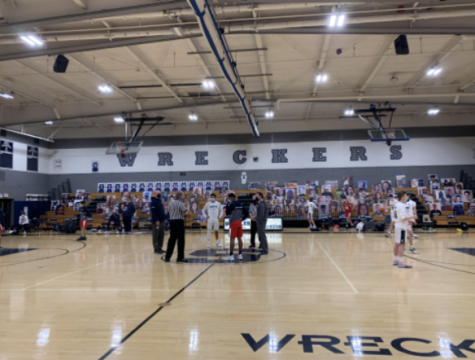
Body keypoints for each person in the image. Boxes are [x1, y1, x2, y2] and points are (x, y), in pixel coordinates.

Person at [393, 192, 417, 268]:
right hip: (401, 227)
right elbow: (403, 218)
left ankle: (396, 259)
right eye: (406, 195)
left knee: (397, 243)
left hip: (397, 225)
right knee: (402, 244)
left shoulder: (397, 204)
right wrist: (412, 216)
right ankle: (401, 261)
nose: (407, 196)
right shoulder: (401, 206)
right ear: (402, 197)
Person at [224, 193, 250, 261]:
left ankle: (231, 255)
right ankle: (240, 254)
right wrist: (242, 219)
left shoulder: (231, 204)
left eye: (229, 198)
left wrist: (227, 205)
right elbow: (247, 213)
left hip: (233, 223)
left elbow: (227, 213)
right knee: (239, 239)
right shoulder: (240, 204)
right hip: (239, 222)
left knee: (232, 239)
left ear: (232, 197)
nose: (228, 199)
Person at [165, 191, 188, 263]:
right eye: (183, 195)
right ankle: (180, 258)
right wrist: (188, 206)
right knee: (181, 240)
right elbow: (186, 213)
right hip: (179, 222)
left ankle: (167, 257)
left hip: (172, 222)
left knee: (172, 239)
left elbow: (169, 211)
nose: (183, 197)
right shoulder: (180, 203)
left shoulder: (170, 203)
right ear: (180, 196)